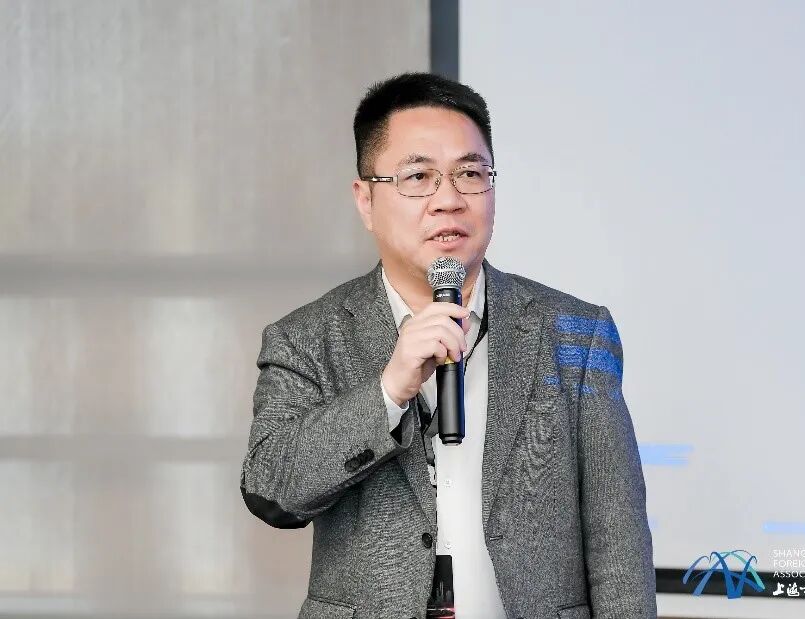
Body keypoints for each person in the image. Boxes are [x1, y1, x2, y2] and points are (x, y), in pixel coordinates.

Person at [239, 72, 656, 619]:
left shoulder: (575, 332)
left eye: (470, 174)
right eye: (418, 177)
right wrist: (388, 392)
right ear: (366, 200)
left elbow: (619, 542)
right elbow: (271, 491)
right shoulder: (308, 337)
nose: (449, 200)